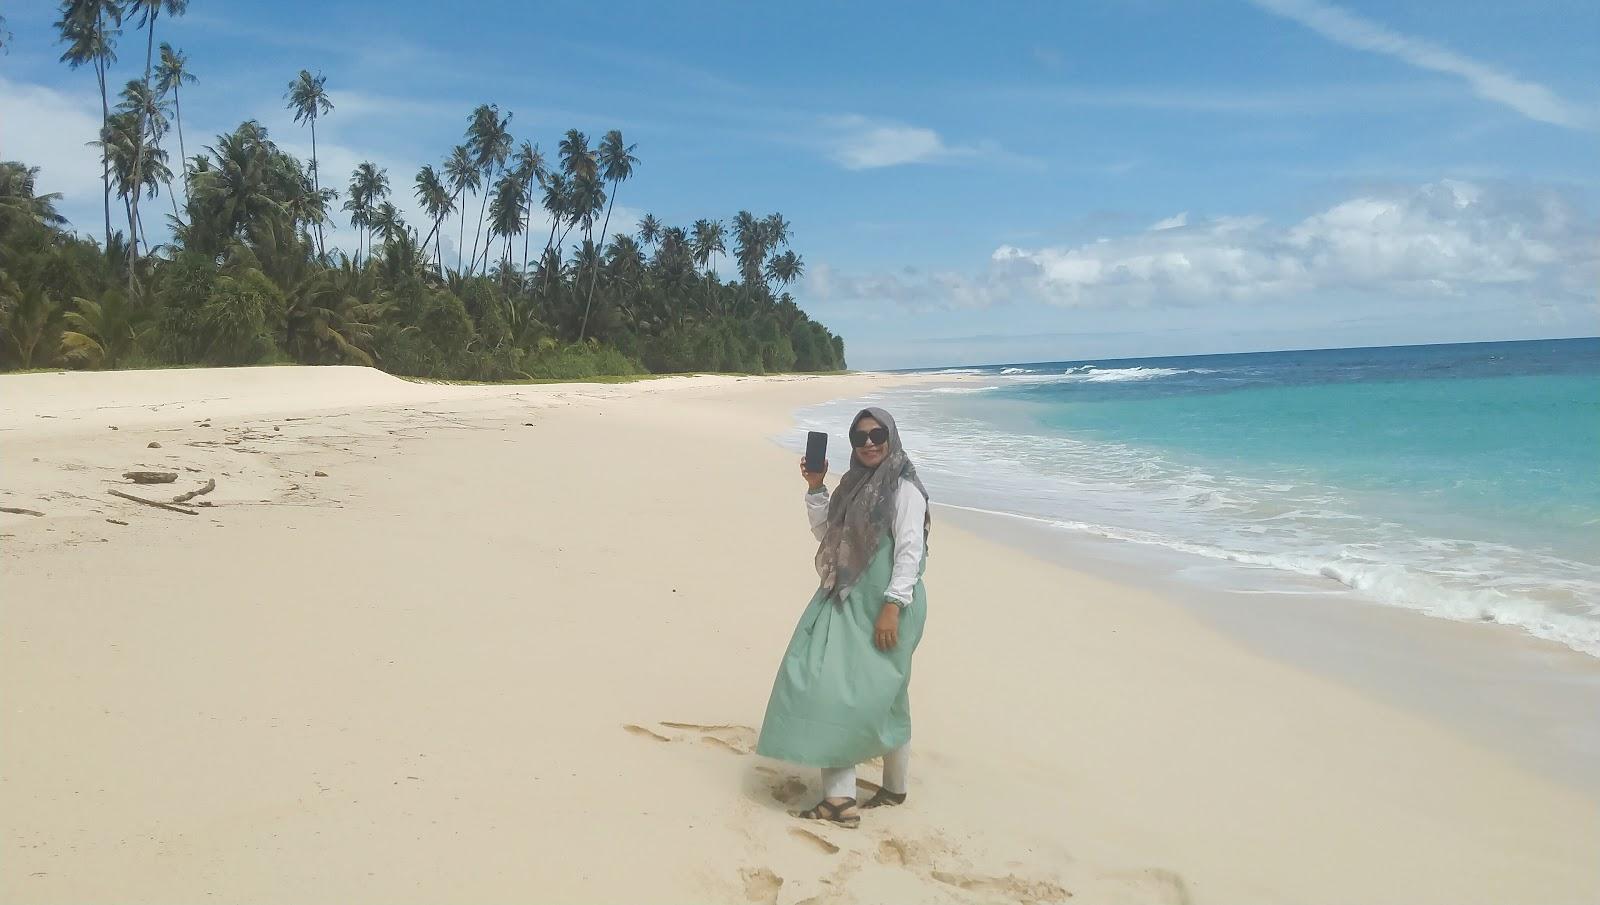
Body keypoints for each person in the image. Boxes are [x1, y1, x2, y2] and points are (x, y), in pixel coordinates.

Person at [755, 407, 930, 828]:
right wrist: (816, 487)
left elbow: (910, 551)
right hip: (849, 597)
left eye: (877, 433)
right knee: (885, 692)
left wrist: (892, 606)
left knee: (832, 688)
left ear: (892, 435)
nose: (869, 443)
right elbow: (830, 536)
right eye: (859, 437)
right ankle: (894, 786)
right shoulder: (854, 486)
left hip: (885, 604)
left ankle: (838, 802)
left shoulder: (903, 488)